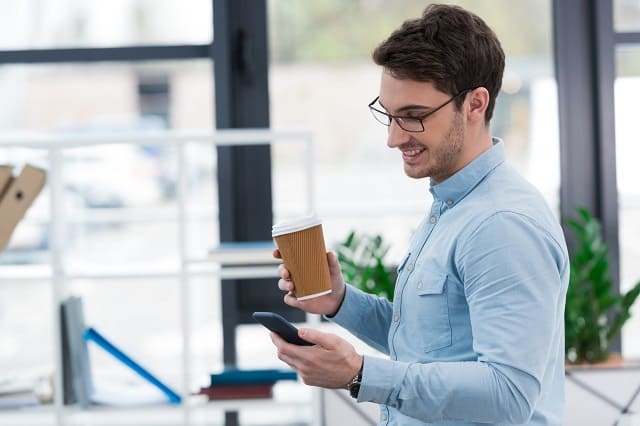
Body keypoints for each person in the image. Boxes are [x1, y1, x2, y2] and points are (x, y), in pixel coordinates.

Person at [271, 4, 569, 425]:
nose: (394, 138)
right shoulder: (453, 205)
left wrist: (359, 373)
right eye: (389, 116)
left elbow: (509, 395)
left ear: (475, 104)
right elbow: (426, 345)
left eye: (412, 117)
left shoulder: (501, 225)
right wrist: (339, 302)